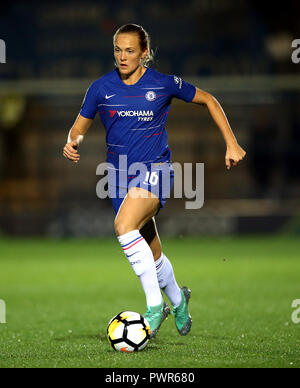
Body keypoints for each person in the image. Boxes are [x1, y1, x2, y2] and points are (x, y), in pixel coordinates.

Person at [63, 24, 246, 338]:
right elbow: (79, 126)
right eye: (118, 50)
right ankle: (178, 299)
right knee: (151, 250)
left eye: (130, 50)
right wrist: (72, 141)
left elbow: (210, 100)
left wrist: (232, 143)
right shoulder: (100, 88)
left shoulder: (163, 84)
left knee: (123, 227)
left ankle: (153, 305)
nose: (123, 56)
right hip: (118, 177)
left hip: (156, 171)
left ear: (144, 52)